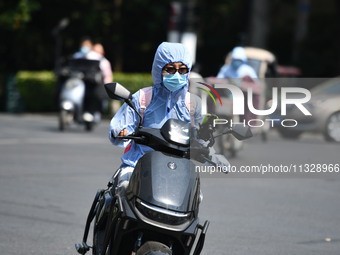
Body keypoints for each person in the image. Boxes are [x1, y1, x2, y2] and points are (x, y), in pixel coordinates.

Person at [109, 42, 204, 189]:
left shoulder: (193, 103)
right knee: (123, 186)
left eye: (182, 70)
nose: (177, 75)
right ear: (159, 69)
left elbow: (202, 133)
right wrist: (121, 131)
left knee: (196, 196)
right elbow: (121, 124)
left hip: (177, 168)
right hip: (137, 165)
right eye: (170, 69)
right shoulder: (142, 97)